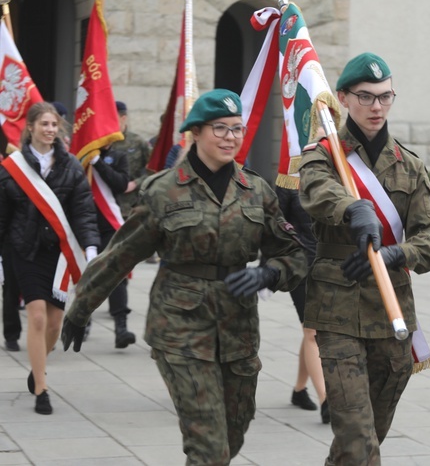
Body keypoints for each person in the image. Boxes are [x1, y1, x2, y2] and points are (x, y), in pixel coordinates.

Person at [60, 89, 308, 464]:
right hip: (180, 326)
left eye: (237, 129)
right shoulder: (163, 190)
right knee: (208, 448)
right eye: (220, 128)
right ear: (196, 131)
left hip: (238, 330)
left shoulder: (257, 191)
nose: (230, 137)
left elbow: (294, 253)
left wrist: (269, 274)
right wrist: (80, 310)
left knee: (232, 433)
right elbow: (119, 256)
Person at [298, 52, 430, 465]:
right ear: (344, 99)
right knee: (358, 440)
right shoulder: (322, 154)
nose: (377, 106)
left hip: (391, 312)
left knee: (365, 441)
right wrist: (353, 207)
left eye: (385, 97)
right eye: (366, 97)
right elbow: (314, 190)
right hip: (338, 312)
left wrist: (397, 253)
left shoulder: (410, 166)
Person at [0, 101, 100, 415]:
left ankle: (36, 368)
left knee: (56, 325)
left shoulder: (70, 165)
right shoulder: (12, 167)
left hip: (58, 254)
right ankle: (42, 390)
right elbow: (2, 216)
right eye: (44, 124)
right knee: (38, 316)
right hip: (24, 250)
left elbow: (83, 211)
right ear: (30, 127)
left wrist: (92, 247)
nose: (50, 129)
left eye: (54, 125)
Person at [274, 181, 328, 423]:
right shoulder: (289, 182)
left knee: (311, 331)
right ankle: (327, 399)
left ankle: (298, 389)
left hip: (332, 267)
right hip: (302, 267)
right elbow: (275, 225)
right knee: (313, 331)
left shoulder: (340, 178)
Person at [88, 143, 136, 348]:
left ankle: (121, 327)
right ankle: (81, 321)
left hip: (110, 225)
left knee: (117, 276)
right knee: (87, 277)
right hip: (84, 225)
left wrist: (97, 163)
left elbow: (121, 184)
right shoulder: (78, 155)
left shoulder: (118, 156)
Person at [110, 101, 151, 219]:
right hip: (109, 204)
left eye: (113, 117)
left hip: (133, 205)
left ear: (123, 118)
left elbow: (153, 170)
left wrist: (136, 183)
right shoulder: (104, 143)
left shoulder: (137, 142)